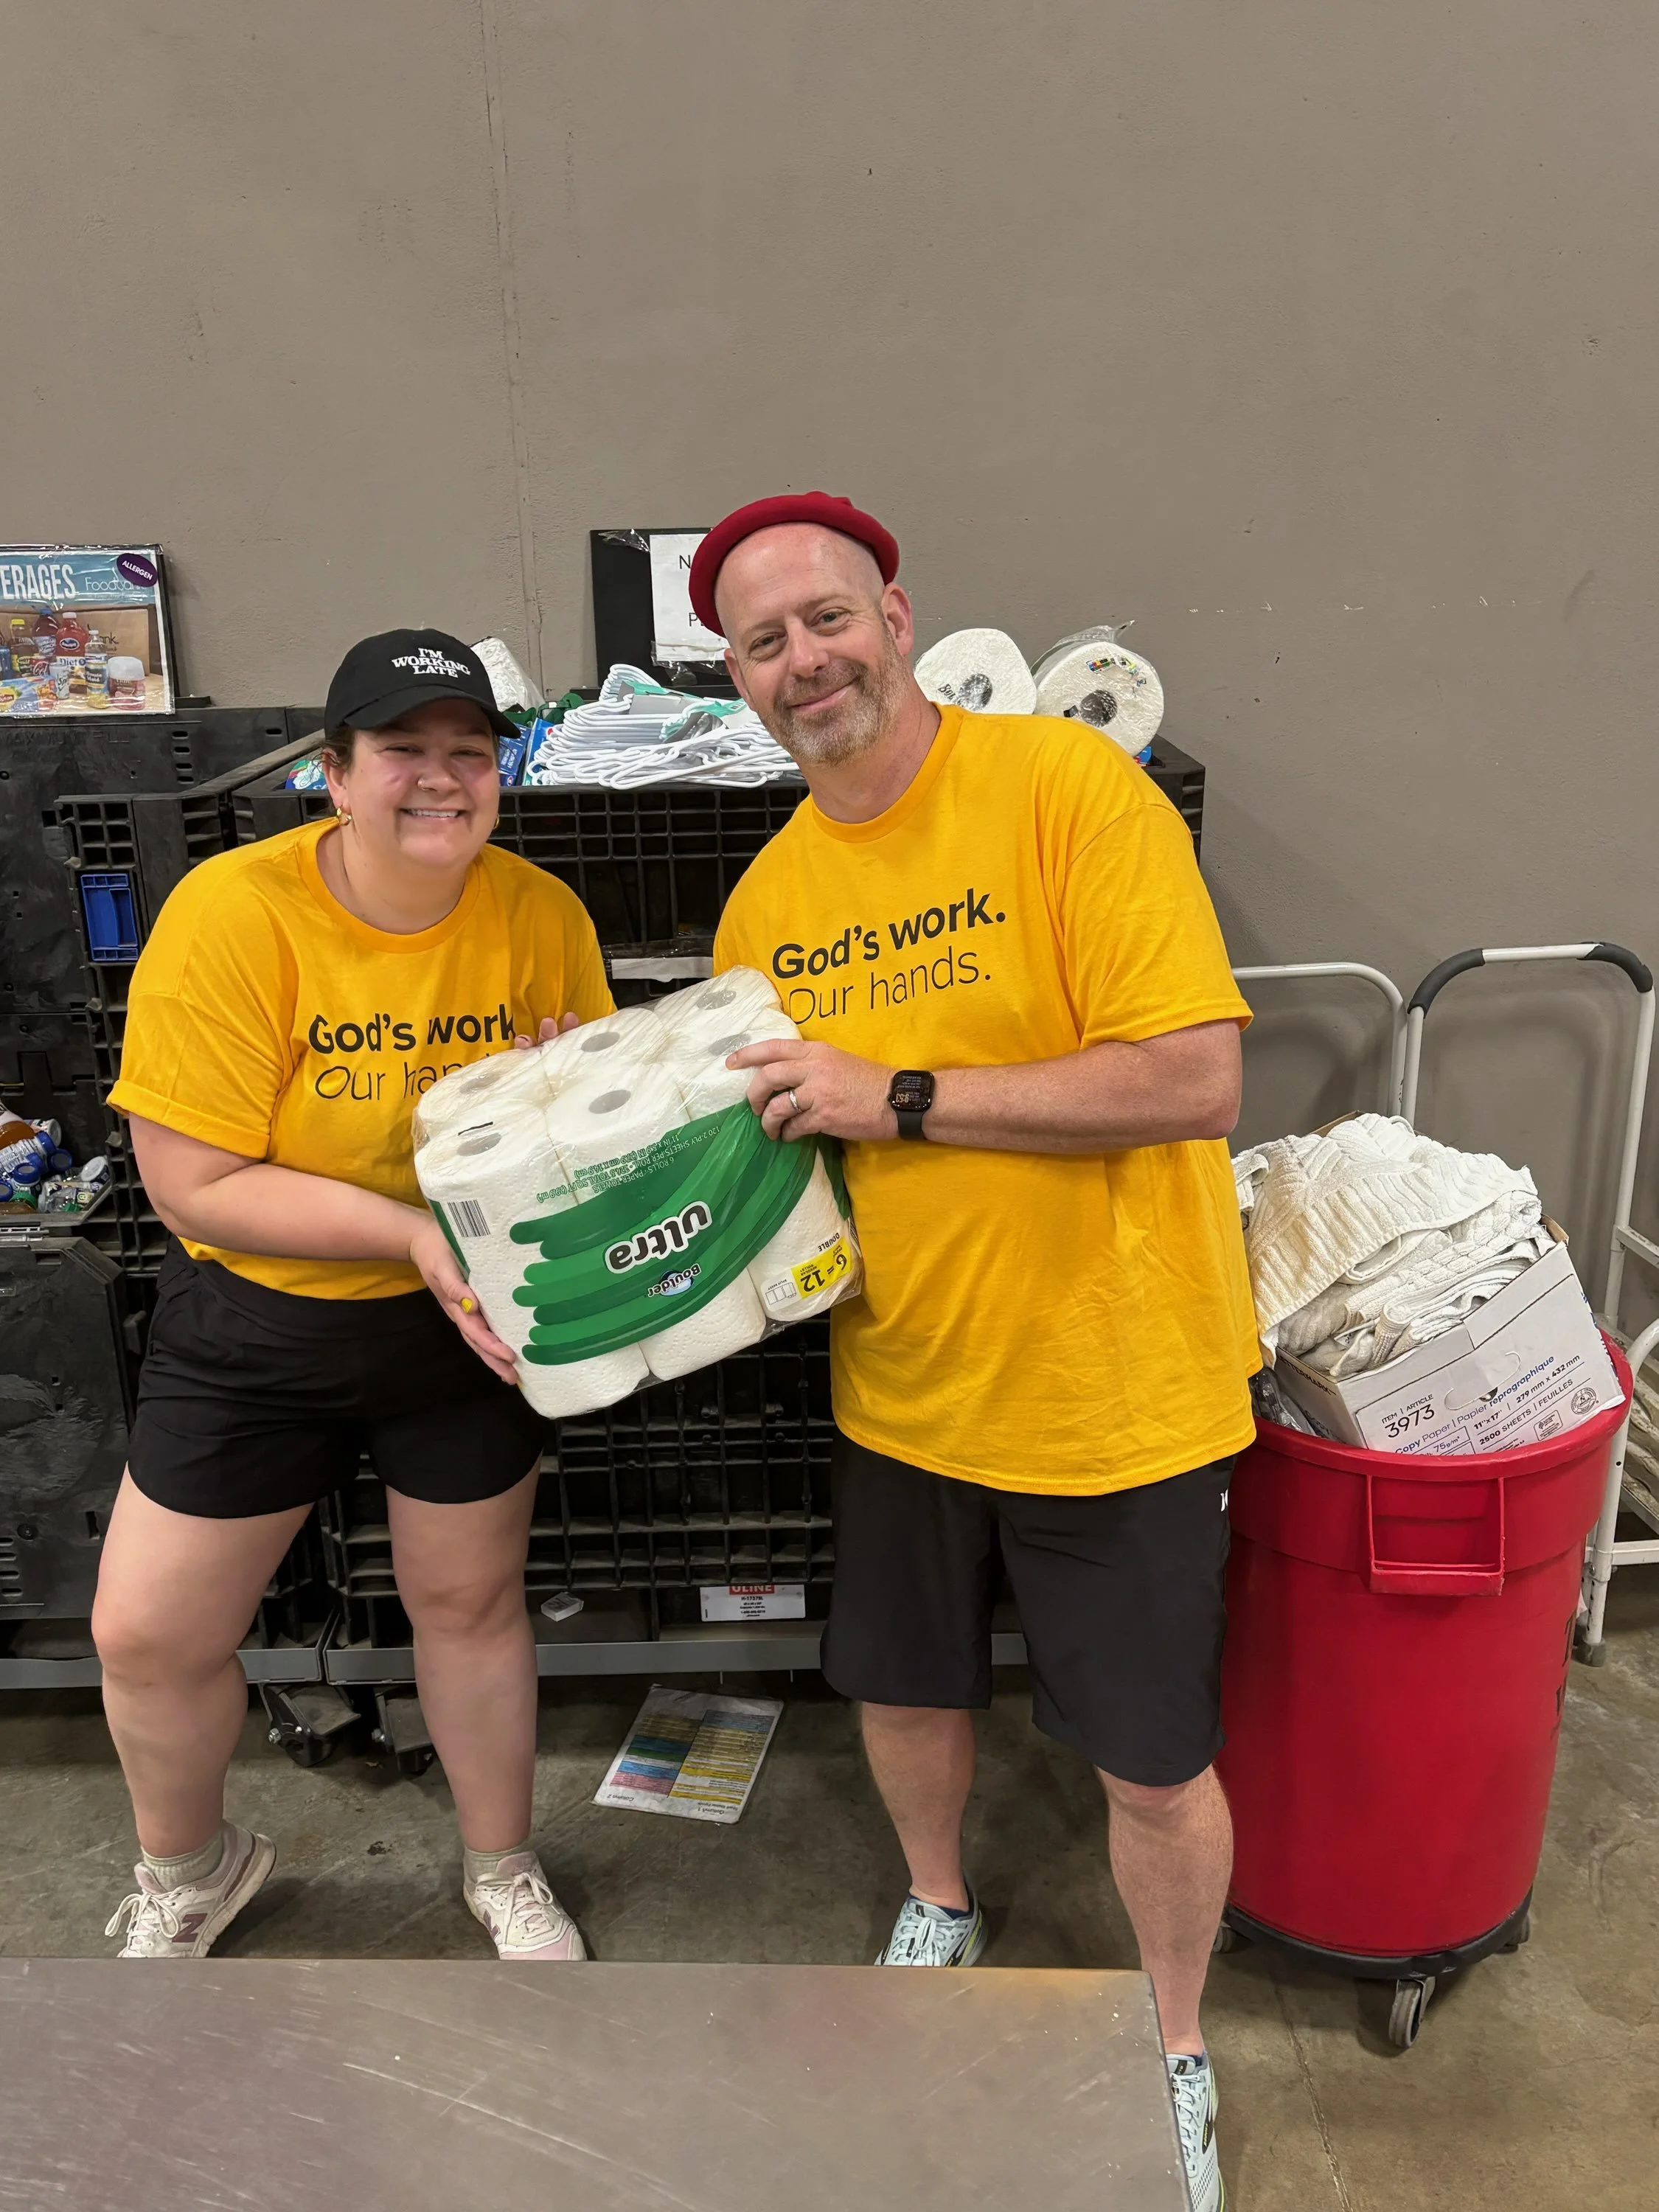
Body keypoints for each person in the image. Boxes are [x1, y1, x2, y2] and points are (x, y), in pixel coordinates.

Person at [695, 496, 1256, 2212]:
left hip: (1116, 1384)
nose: (808, 661)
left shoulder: (1064, 793)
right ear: (736, 678)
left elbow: (1192, 1077)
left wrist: (904, 1094)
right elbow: (777, 1181)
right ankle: (939, 1896)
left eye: (829, 618)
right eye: (765, 641)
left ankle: (1170, 2047)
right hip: (906, 1387)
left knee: (1152, 1760)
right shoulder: (768, 905)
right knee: (910, 1694)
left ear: (899, 616)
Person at [92, 629, 613, 1964]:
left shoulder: (539, 915)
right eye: (401, 752)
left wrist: (564, 1106)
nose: (439, 780)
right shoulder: (232, 914)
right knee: (147, 1632)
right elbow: (193, 1183)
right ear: (334, 773)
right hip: (264, 1316)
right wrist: (404, 1233)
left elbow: (574, 1143)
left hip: (461, 1319)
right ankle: (191, 1871)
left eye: (467, 753)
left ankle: (501, 1868)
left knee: (468, 1604)